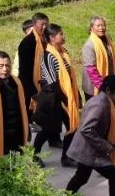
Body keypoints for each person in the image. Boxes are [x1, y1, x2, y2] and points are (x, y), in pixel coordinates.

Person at [65, 75, 115, 196]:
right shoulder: (99, 104)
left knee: (81, 177)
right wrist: (106, 147)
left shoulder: (106, 102)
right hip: (90, 151)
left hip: (91, 150)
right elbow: (86, 129)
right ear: (109, 90)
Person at [33, 23, 81, 167]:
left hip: (67, 96)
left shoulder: (63, 52)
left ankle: (66, 157)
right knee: (49, 129)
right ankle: (34, 155)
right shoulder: (48, 56)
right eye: (61, 34)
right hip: (54, 98)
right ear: (52, 38)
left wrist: (75, 95)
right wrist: (63, 100)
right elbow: (52, 82)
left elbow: (70, 77)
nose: (64, 36)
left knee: (72, 126)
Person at [17, 12, 49, 117]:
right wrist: (33, 91)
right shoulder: (27, 42)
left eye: (46, 24)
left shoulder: (45, 40)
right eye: (42, 24)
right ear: (34, 24)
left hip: (44, 83)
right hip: (30, 85)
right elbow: (24, 70)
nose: (44, 27)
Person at [81, 16, 115, 101]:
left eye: (103, 25)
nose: (101, 28)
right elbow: (91, 69)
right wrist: (102, 86)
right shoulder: (89, 45)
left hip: (108, 82)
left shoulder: (107, 40)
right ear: (92, 28)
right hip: (94, 86)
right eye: (98, 25)